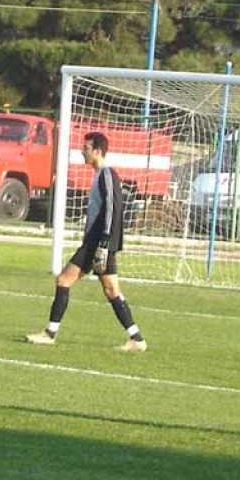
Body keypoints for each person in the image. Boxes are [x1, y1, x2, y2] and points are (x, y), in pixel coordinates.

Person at [26, 132, 147, 351]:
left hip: (97, 243)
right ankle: (136, 339)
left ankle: (50, 333)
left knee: (64, 280)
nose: (83, 152)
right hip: (97, 242)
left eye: (86, 148)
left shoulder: (107, 174)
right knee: (111, 289)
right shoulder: (99, 174)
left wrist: (104, 244)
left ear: (97, 151)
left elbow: (112, 209)